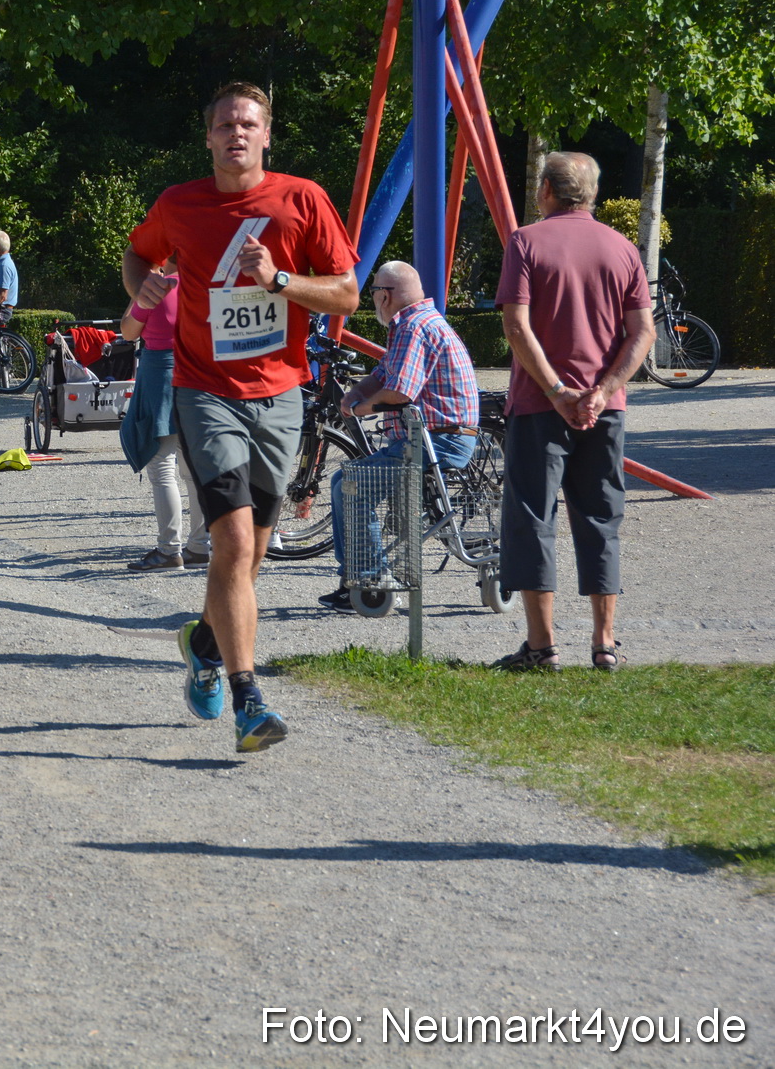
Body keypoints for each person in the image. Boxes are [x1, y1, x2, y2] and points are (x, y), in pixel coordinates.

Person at [122, 80, 358, 753]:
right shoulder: (179, 204)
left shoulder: (302, 199)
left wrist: (280, 281)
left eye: (248, 123)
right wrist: (140, 284)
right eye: (224, 123)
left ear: (267, 134)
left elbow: (345, 292)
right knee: (229, 543)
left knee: (252, 554)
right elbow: (138, 253)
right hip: (205, 392)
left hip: (280, 395)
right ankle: (249, 698)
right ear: (208, 137)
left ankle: (202, 642)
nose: (236, 133)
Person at [493, 152, 655, 671]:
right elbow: (642, 333)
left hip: (540, 406)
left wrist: (559, 390)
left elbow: (517, 326)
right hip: (604, 411)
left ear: (545, 189)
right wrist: (602, 391)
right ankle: (604, 643)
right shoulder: (623, 248)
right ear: (592, 194)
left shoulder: (525, 242)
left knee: (532, 520)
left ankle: (541, 647)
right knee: (601, 519)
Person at [317, 260, 478, 610]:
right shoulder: (420, 321)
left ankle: (371, 576)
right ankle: (355, 578)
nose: (372, 298)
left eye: (374, 291)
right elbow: (385, 372)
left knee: (351, 484)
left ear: (386, 296)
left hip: (439, 441)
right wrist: (356, 392)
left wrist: (361, 409)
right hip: (441, 438)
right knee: (347, 481)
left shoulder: (412, 326)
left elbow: (400, 391)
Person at [118, 272, 207, 571]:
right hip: (198, 376)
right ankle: (200, 546)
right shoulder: (203, 280)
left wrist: (136, 290)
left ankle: (169, 550)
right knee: (193, 468)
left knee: (162, 468)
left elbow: (128, 331)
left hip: (161, 377)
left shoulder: (155, 287)